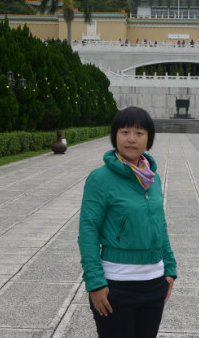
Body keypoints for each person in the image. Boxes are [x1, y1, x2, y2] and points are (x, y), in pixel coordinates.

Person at [78, 107, 177, 337]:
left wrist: (169, 269)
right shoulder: (100, 178)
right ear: (115, 136)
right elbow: (88, 231)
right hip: (116, 284)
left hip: (154, 283)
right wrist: (95, 282)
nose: (131, 139)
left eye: (139, 133)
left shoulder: (152, 177)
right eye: (125, 132)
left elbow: (160, 225)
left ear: (149, 138)